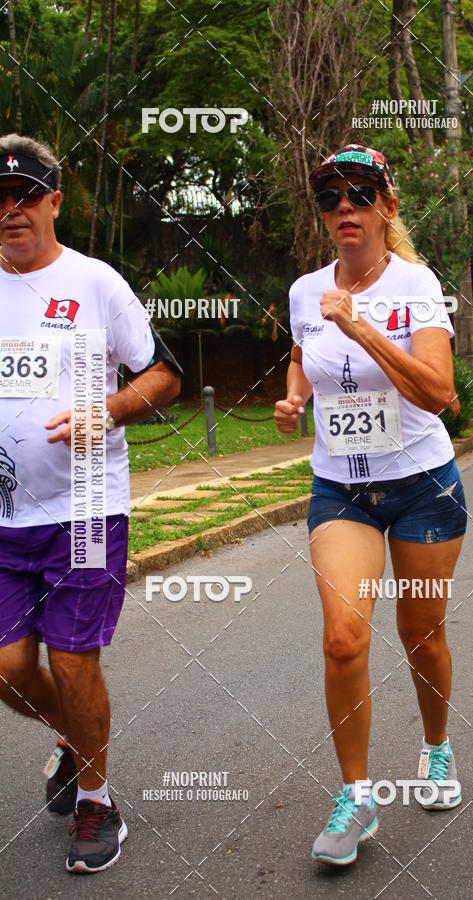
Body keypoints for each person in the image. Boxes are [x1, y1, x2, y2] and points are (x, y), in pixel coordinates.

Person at [275, 144, 467, 866]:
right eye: (329, 197)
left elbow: (439, 394)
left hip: (424, 483)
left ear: (387, 204)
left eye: (358, 193)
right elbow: (303, 350)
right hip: (343, 487)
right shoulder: (304, 291)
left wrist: (360, 327)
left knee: (421, 634)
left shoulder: (417, 285)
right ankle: (357, 797)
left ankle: (437, 746)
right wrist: (297, 393)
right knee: (344, 637)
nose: (344, 207)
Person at [0, 134, 181, 873]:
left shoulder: (96, 283)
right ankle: (76, 741)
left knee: (74, 665)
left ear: (54, 201)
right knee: (9, 665)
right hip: (6, 518)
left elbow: (163, 376)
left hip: (84, 510)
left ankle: (97, 800)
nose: (10, 210)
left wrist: (107, 409)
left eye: (24, 194)